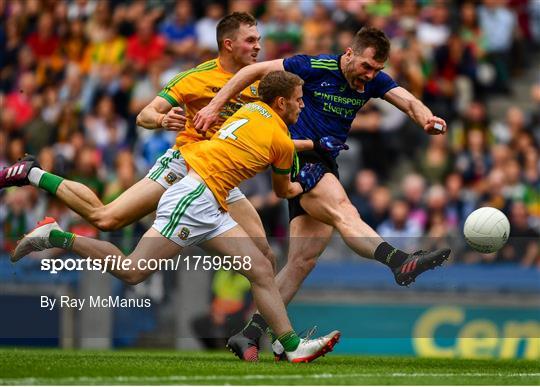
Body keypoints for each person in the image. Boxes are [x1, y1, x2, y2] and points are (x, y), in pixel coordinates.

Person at [12, 70, 340, 363]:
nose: (302, 106)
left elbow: (274, 142)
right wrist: (309, 183)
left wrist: (309, 143)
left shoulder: (252, 110)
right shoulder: (278, 136)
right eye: (298, 101)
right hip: (194, 199)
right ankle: (56, 236)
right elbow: (284, 189)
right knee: (131, 270)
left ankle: (290, 345)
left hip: (210, 199)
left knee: (261, 269)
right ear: (281, 102)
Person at [194, 26, 451, 361]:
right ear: (349, 53)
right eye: (366, 67)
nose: (370, 76)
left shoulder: (372, 81)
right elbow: (252, 71)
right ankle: (400, 262)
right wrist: (215, 106)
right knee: (345, 210)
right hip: (299, 154)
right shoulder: (314, 67)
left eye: (377, 71)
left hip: (325, 158)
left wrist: (426, 118)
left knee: (302, 261)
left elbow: (406, 98)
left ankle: (250, 333)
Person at [0, 13, 276, 266]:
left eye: (259, 40)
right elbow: (145, 114)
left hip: (220, 177)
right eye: (250, 40)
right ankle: (33, 174)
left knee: (263, 254)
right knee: (106, 218)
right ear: (228, 44)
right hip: (185, 166)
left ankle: (262, 322)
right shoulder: (196, 78)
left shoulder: (262, 82)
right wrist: (162, 120)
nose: (258, 47)